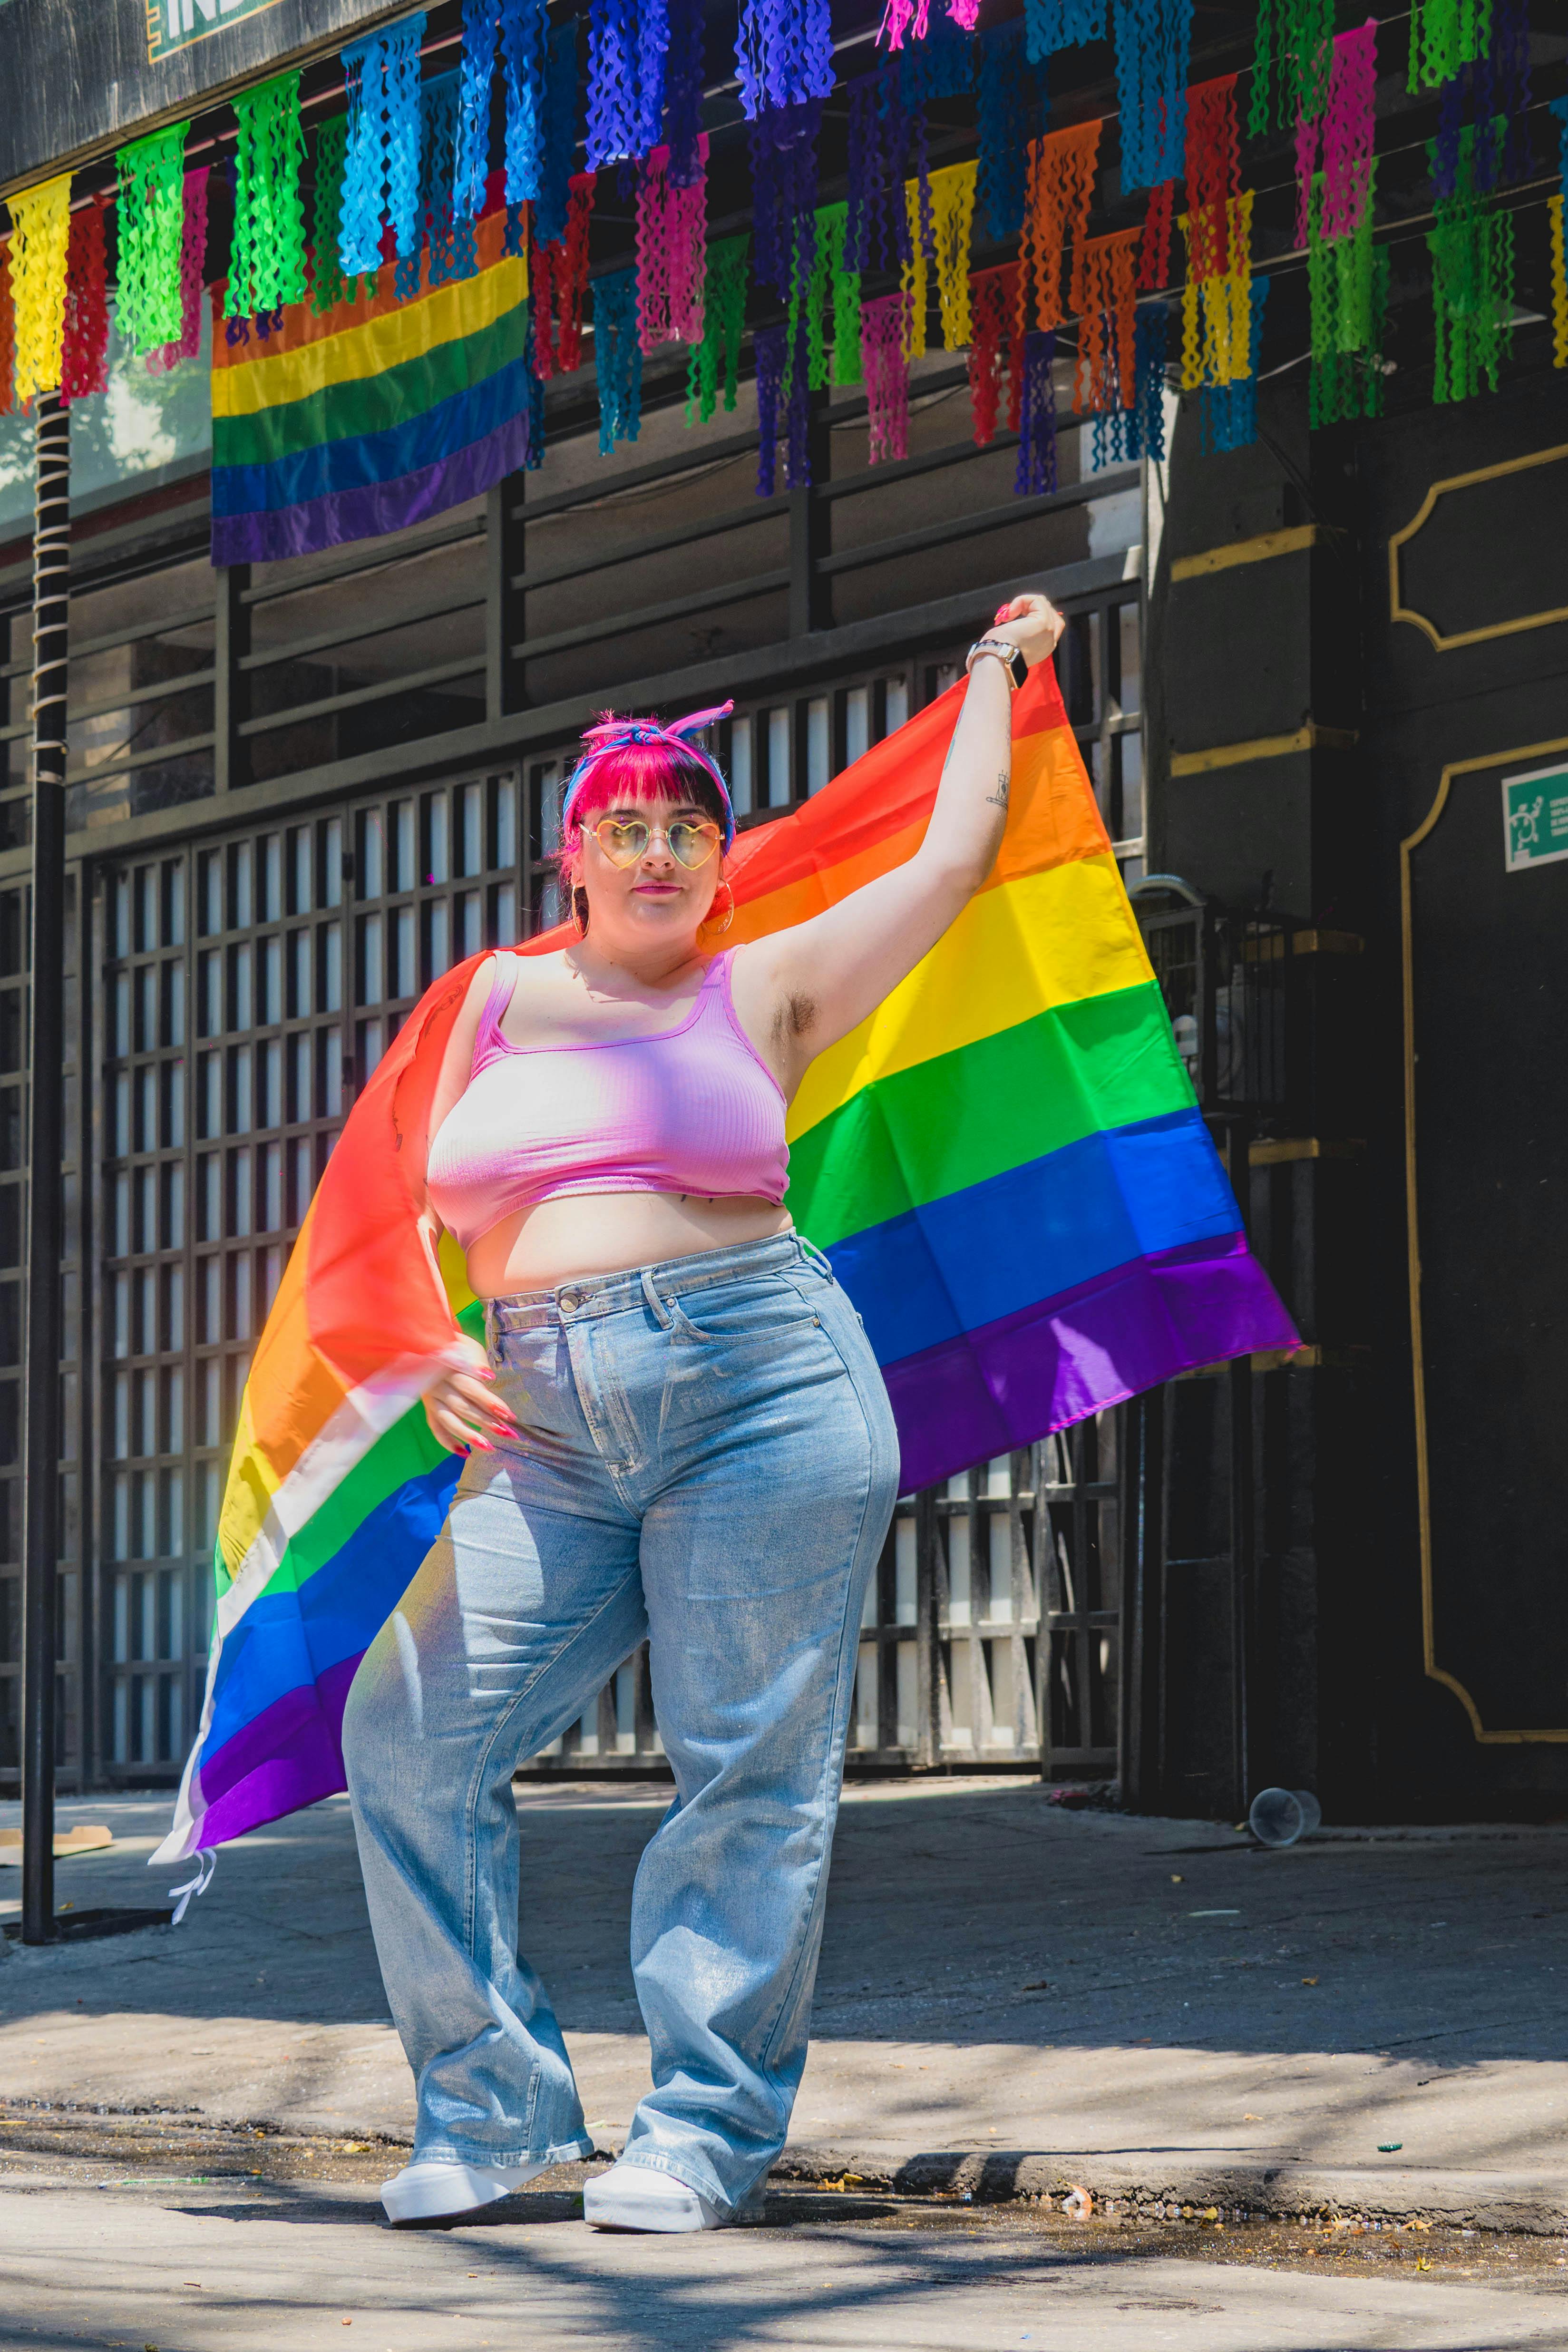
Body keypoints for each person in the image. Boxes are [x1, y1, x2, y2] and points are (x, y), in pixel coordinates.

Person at [341, 592, 1065, 2233]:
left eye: (686, 828)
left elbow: (952, 860)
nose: (656, 852)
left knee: (743, 1766)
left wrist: (988, 675)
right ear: (572, 857)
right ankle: (492, 2104)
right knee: (405, 1733)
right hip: (541, 1416)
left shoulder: (770, 986)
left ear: (720, 862)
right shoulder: (481, 1008)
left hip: (764, 1388)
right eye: (625, 828)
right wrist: (416, 1341)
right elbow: (373, 1205)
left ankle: (702, 2126)